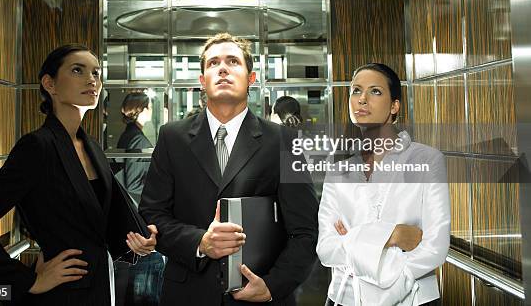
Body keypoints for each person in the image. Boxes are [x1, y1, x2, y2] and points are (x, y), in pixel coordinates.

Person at [0, 44, 158, 305]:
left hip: (100, 288)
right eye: (78, 70)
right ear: (49, 84)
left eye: (96, 73)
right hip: (59, 295)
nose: (92, 80)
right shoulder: (37, 147)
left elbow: (103, 222)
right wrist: (26, 281)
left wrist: (140, 238)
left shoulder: (93, 148)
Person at [139, 32, 319, 306]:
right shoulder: (171, 137)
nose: (222, 68)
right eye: (213, 63)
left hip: (260, 294)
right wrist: (200, 242)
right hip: (188, 295)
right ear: (202, 81)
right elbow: (152, 214)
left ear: (251, 78)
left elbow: (305, 231)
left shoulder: (285, 141)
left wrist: (272, 286)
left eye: (233, 61)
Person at [316, 63, 450, 306]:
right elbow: (326, 249)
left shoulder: (427, 160)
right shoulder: (338, 169)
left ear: (395, 106)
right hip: (343, 297)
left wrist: (353, 239)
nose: (362, 99)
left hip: (412, 298)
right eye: (356, 91)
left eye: (375, 91)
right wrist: (393, 236)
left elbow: (435, 247)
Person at [114, 91, 165, 306]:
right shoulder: (136, 139)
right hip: (138, 224)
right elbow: (133, 184)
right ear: (142, 110)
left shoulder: (130, 134)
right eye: (149, 108)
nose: (151, 112)